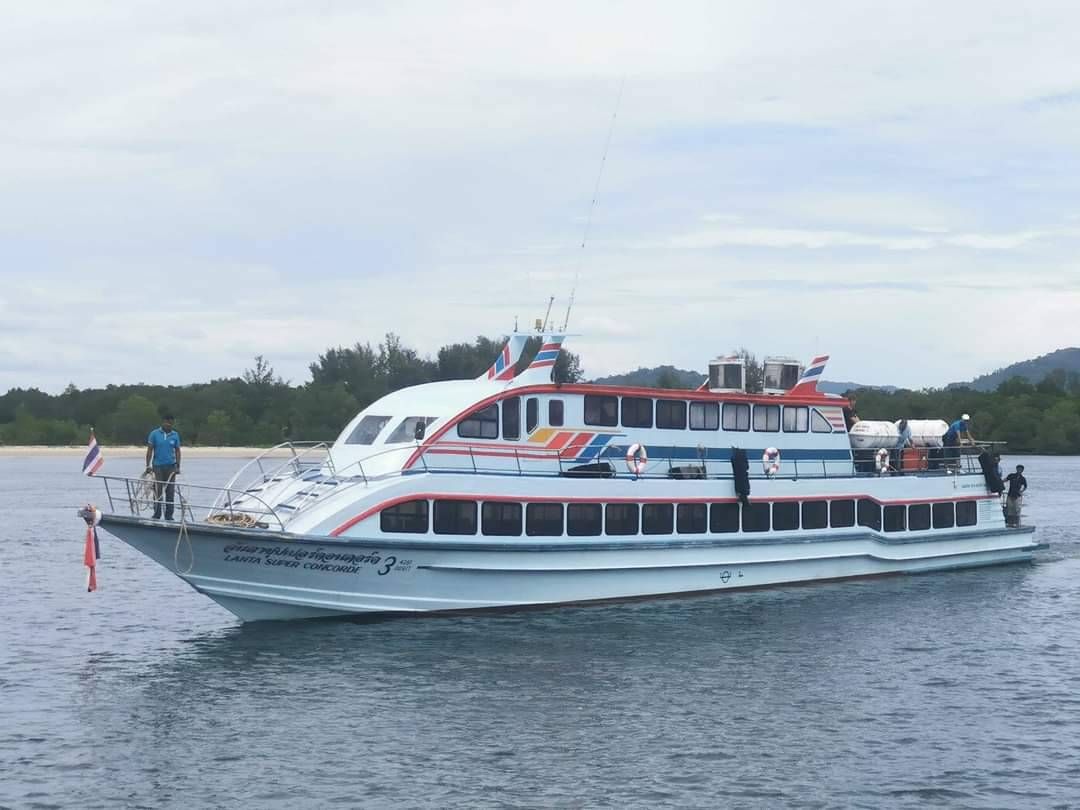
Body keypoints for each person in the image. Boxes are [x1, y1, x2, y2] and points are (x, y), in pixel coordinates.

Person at [145, 414, 182, 520]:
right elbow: (150, 450)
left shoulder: (175, 435)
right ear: (163, 422)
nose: (168, 424)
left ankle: (169, 515)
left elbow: (177, 450)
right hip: (157, 466)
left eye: (170, 423)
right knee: (158, 491)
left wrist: (178, 465)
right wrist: (148, 465)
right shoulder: (154, 434)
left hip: (171, 467)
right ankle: (157, 514)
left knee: (170, 492)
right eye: (166, 422)